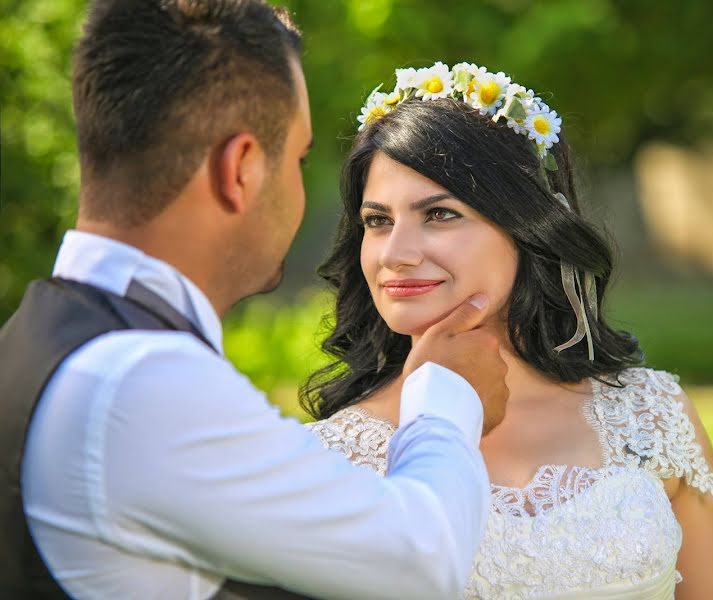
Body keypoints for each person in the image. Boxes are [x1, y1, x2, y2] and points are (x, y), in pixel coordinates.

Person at [0, 4, 511, 599]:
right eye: (296, 158)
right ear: (240, 168)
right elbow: (421, 562)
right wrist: (447, 394)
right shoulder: (138, 381)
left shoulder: (36, 341)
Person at [303, 62, 713, 599]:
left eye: (439, 215)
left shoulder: (653, 415)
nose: (396, 254)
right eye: (378, 221)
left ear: (525, 226)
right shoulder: (328, 460)